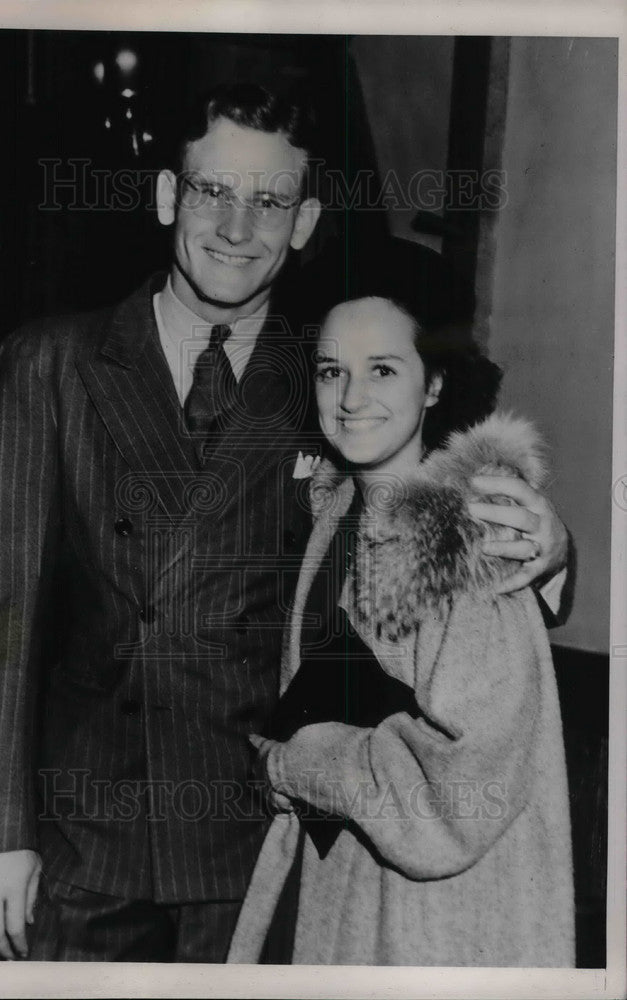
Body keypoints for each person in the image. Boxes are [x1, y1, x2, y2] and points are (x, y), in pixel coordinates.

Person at [0, 82, 570, 963]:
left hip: (260, 836)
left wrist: (547, 548)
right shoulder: (48, 362)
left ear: (306, 219)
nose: (238, 228)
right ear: (170, 197)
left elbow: (437, 499)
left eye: (270, 200)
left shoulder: (336, 373)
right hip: (78, 839)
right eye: (213, 192)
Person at [227, 295, 575, 966]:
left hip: (433, 930)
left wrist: (295, 762)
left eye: (381, 369)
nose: (351, 396)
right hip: (337, 891)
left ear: (433, 386)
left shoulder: (469, 541)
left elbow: (456, 800)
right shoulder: (337, 511)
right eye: (331, 371)